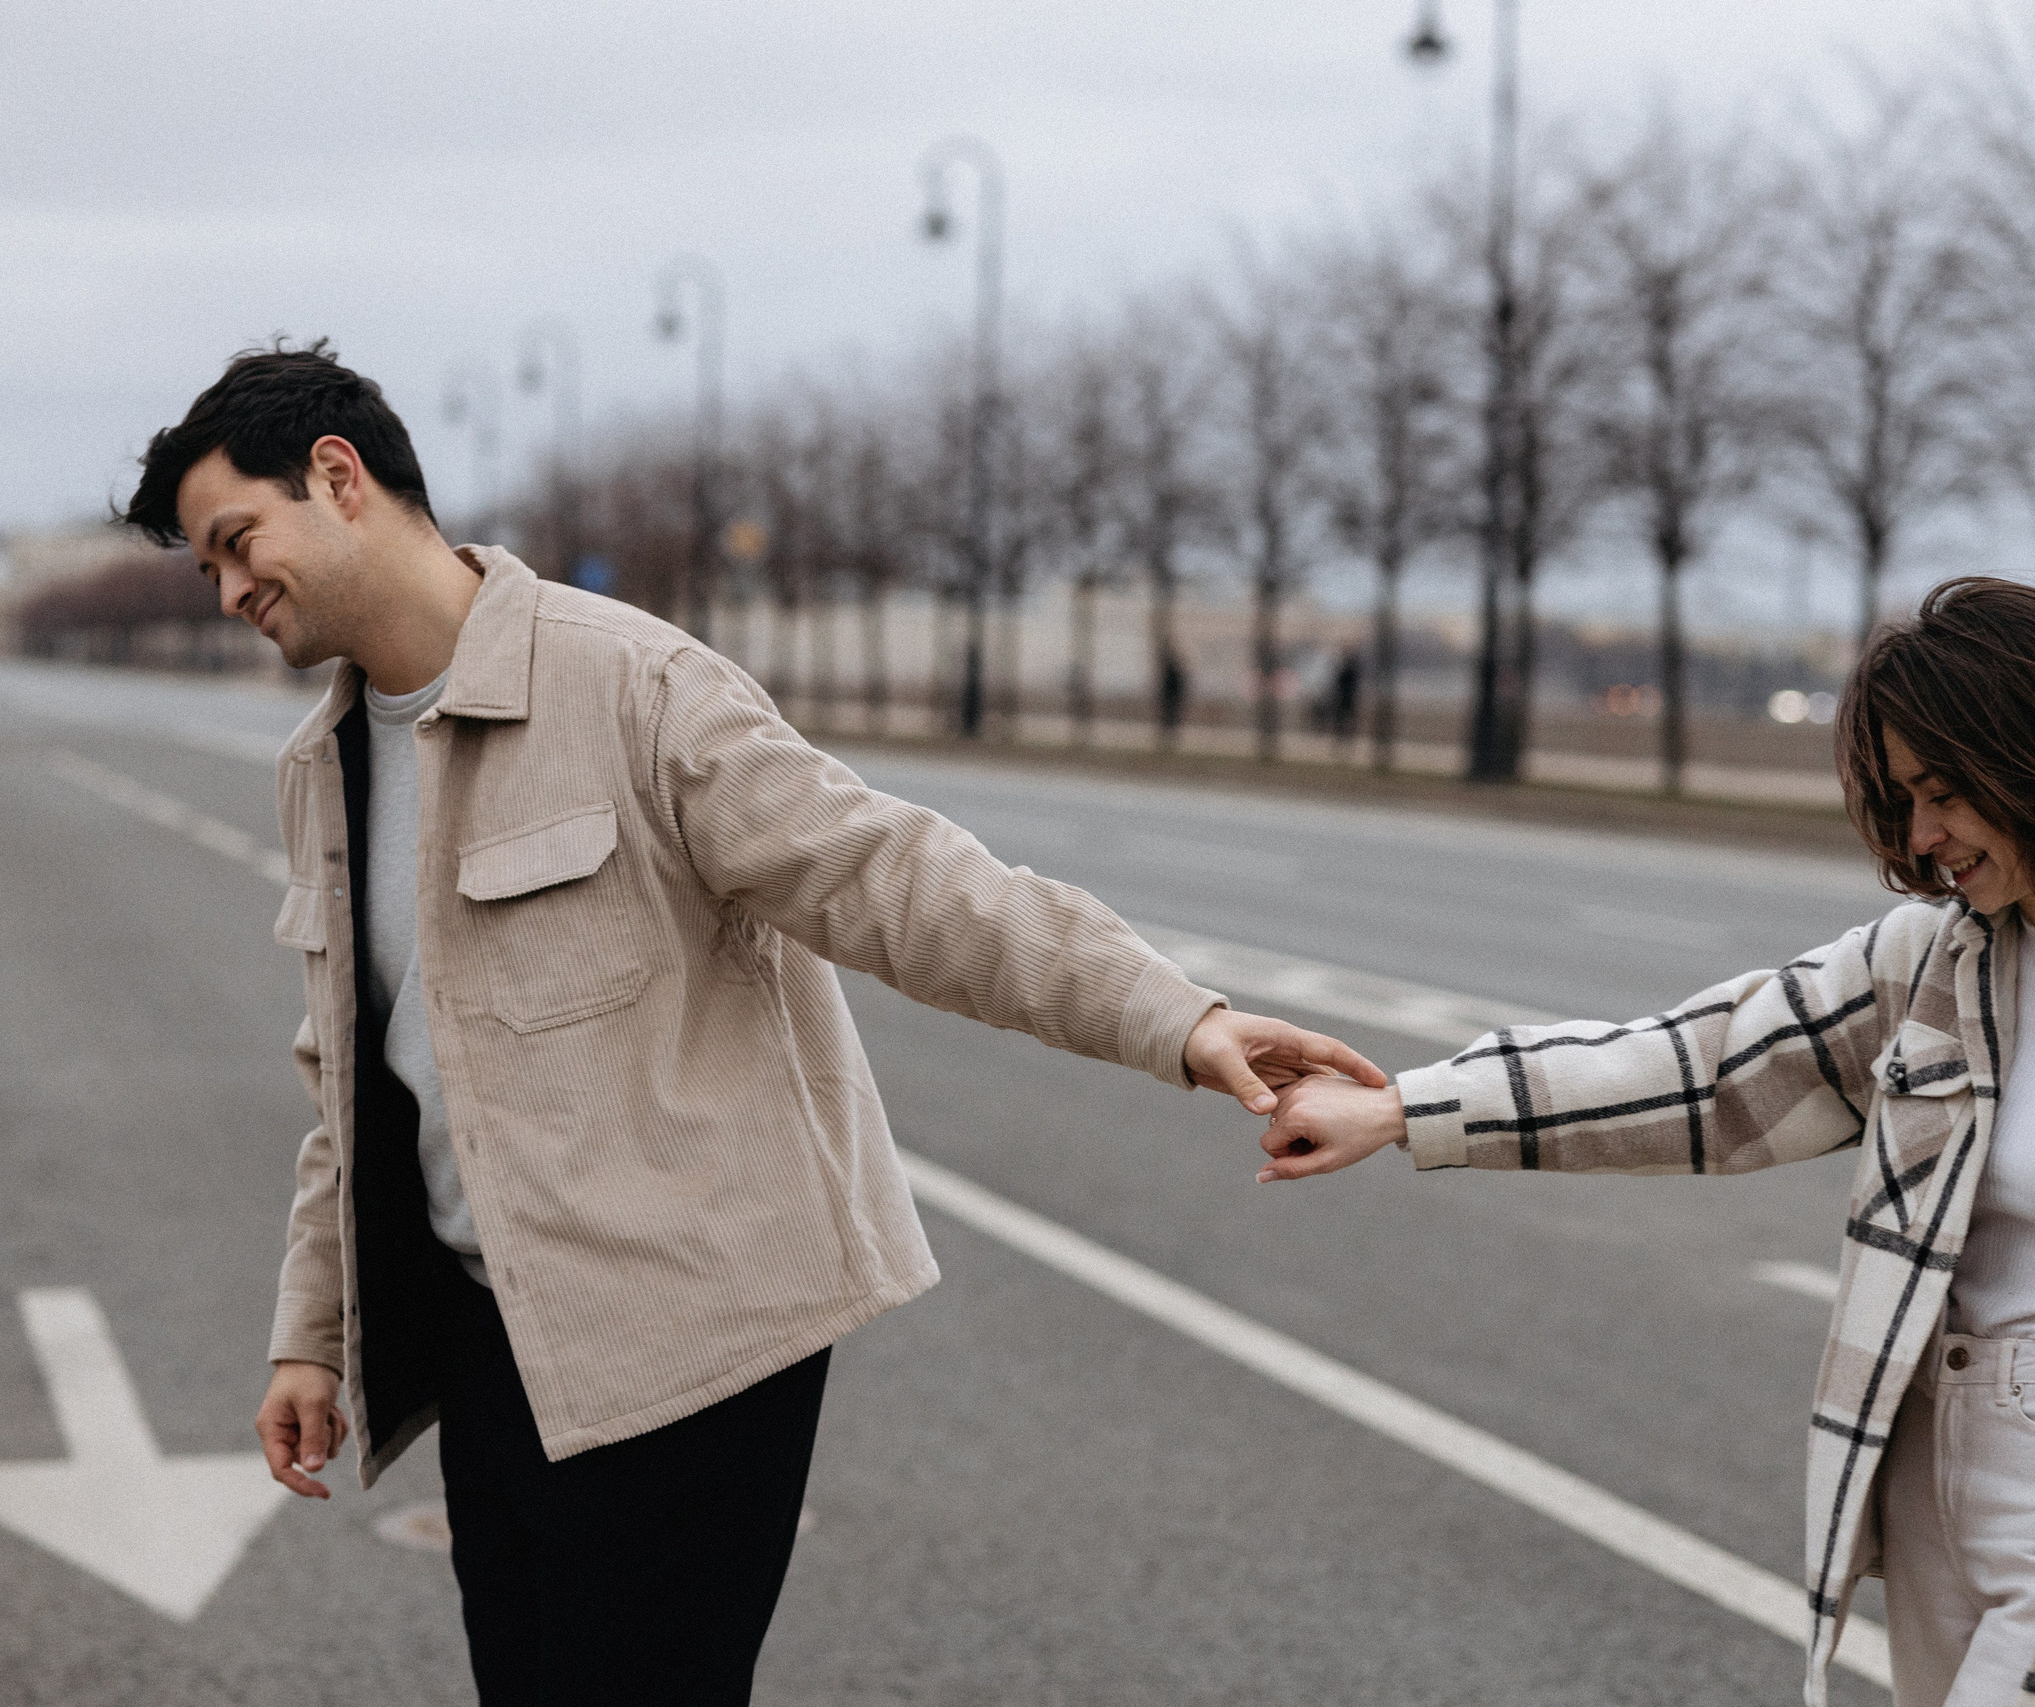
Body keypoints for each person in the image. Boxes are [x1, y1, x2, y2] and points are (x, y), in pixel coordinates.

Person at [119, 340, 1381, 1706]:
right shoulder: (324, 764)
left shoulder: (634, 687)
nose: (231, 591)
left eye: (236, 542)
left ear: (337, 476)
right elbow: (356, 1092)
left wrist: (1173, 1018)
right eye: (208, 568)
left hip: (689, 1340)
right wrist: (312, 1332)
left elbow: (894, 877)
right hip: (492, 1339)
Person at [1252, 577, 2035, 1707]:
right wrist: (1407, 1109)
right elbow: (1700, 1070)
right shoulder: (1928, 966)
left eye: (1944, 792)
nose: (1922, 838)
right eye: (1903, 799)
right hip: (1929, 1482)